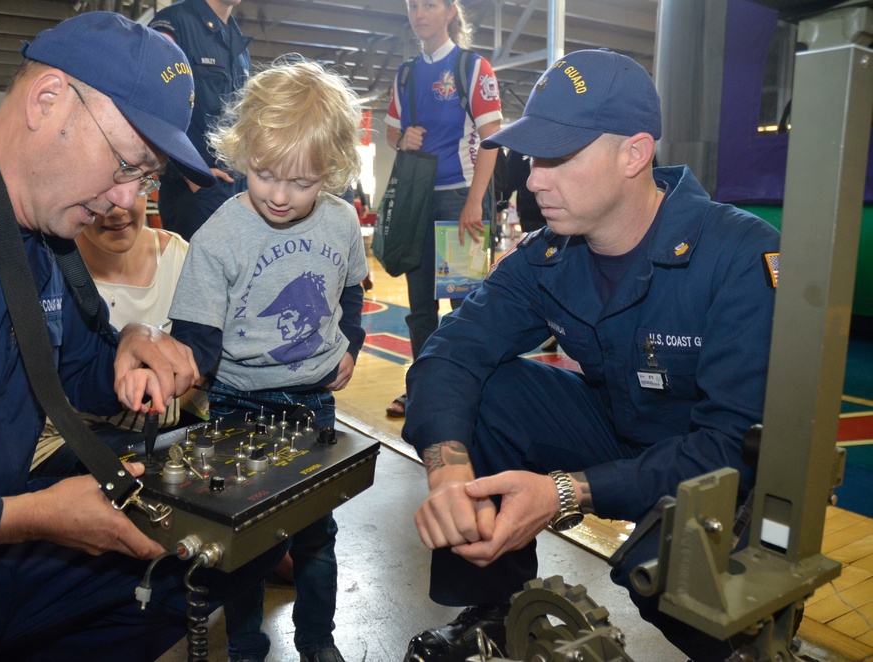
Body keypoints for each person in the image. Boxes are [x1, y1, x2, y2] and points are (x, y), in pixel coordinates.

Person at [0, 12, 284, 660]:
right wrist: (31, 518)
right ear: (47, 99)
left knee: (176, 569)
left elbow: (72, 368)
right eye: (126, 162)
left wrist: (126, 351)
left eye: (146, 177)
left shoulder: (42, 242)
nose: (126, 200)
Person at [401, 48, 781, 662]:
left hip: (713, 473)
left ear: (633, 153)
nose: (533, 179)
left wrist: (562, 491)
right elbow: (451, 352)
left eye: (559, 157)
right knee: (492, 390)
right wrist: (448, 469)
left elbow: (729, 446)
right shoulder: (549, 255)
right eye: (532, 157)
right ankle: (495, 611)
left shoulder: (738, 256)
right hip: (622, 429)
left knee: (668, 578)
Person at [169, 58, 368, 662]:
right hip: (236, 404)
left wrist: (353, 346)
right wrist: (181, 368)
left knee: (316, 538)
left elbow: (353, 291)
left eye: (302, 183)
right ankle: (247, 647)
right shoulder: (220, 235)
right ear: (241, 154)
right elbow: (198, 331)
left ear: (330, 172)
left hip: (313, 401)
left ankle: (317, 641)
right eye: (264, 175)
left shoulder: (340, 223)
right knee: (247, 544)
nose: (280, 196)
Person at [384, 0, 503, 418]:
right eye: (413, 5)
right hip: (418, 200)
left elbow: (492, 137)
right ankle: (422, 387)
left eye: (429, 4)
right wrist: (402, 140)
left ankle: (466, 389)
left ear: (451, 11)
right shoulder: (406, 73)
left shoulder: (473, 67)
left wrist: (475, 202)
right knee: (420, 308)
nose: (419, 12)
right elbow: (390, 130)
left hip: (460, 199)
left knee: (463, 303)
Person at [31, 195, 192, 476]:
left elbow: (199, 371)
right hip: (59, 442)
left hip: (159, 432)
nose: (119, 209)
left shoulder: (181, 257)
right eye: (101, 195)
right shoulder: (50, 267)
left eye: (139, 187)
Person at [149, 0, 252, 241]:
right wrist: (188, 174)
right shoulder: (174, 23)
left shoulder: (238, 43)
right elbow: (152, 104)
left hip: (236, 189)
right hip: (194, 190)